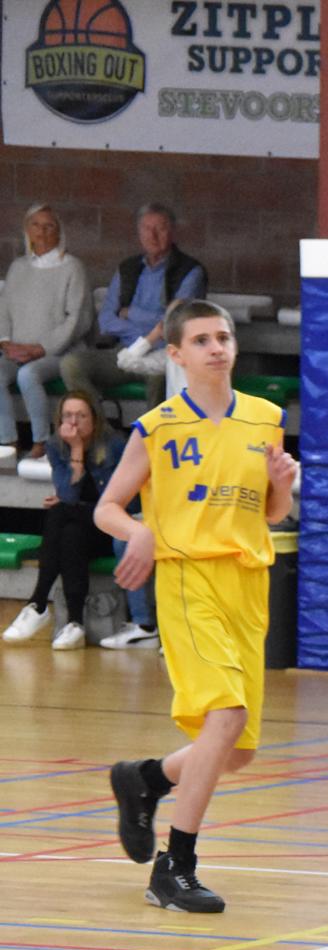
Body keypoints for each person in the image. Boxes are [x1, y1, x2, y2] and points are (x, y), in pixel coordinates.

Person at [97, 300, 296, 914]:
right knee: (226, 716)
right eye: (203, 339)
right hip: (189, 580)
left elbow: (270, 513)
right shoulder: (157, 428)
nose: (216, 348)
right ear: (176, 354)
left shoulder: (265, 419)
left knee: (237, 751)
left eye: (224, 337)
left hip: (248, 584)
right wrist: (140, 533)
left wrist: (283, 485)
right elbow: (107, 508)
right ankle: (174, 867)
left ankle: (145, 779)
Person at [60, 203, 208, 411]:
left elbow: (172, 323)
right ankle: (101, 428)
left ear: (172, 232)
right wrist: (146, 332)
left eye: (160, 228)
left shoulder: (190, 271)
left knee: (161, 378)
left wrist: (132, 313)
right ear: (139, 232)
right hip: (124, 351)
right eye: (146, 228)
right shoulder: (127, 268)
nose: (152, 235)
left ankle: (153, 432)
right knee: (71, 364)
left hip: (163, 355)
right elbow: (106, 321)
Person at [3, 392, 114, 650]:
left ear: (94, 419)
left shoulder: (114, 445)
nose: (73, 422)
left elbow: (117, 501)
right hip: (80, 527)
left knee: (59, 512)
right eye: (67, 416)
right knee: (70, 533)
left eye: (81, 415)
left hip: (110, 525)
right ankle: (75, 623)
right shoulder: (56, 445)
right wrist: (76, 449)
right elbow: (69, 494)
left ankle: (38, 603)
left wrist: (73, 502)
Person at [0, 204, 91, 461]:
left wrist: (40, 348)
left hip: (56, 352)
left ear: (59, 231)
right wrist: (5, 343)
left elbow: (78, 319)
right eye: (35, 225)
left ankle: (41, 440)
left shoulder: (72, 268)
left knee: (28, 375)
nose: (41, 231)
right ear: (27, 230)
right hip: (17, 351)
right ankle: (8, 441)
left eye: (49, 226)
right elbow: (3, 308)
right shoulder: (18, 267)